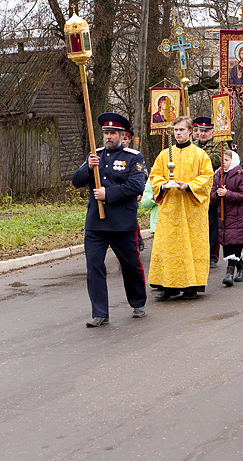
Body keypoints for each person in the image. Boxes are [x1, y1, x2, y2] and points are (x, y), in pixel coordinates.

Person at [71, 113, 147, 327]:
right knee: (94, 266)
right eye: (106, 133)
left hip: (122, 222)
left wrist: (109, 193)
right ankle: (99, 312)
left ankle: (137, 302)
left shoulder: (133, 157)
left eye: (113, 133)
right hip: (96, 224)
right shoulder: (95, 156)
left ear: (122, 136)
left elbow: (136, 186)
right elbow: (76, 181)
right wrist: (87, 166)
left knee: (130, 265)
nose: (108, 137)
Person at [149, 116, 214, 300]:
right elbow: (155, 175)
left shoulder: (200, 155)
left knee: (191, 246)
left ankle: (191, 286)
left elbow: (208, 177)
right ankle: (168, 286)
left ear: (190, 132)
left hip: (192, 209)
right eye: (176, 130)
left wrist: (189, 185)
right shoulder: (164, 154)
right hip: (170, 208)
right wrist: (162, 185)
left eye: (182, 130)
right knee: (169, 247)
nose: (178, 133)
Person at [211, 150, 243, 286]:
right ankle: (242, 269)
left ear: (233, 161)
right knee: (227, 242)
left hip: (238, 215)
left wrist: (228, 194)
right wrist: (217, 194)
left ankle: (229, 273)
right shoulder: (218, 176)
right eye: (222, 161)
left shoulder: (241, 177)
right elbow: (212, 196)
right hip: (224, 215)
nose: (224, 163)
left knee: (235, 243)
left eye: (227, 160)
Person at [194, 116, 223, 268]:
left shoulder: (219, 144)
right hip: (194, 190)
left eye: (206, 131)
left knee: (212, 224)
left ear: (212, 132)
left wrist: (198, 158)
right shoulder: (192, 145)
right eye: (200, 131)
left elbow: (219, 159)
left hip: (211, 189)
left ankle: (212, 254)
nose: (203, 134)